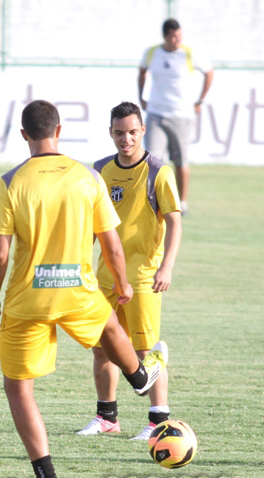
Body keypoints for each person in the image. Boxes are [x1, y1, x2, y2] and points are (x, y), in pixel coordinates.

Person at [0, 100, 165, 478]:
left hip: (27, 298)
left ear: (23, 135)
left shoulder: (11, 181)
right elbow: (111, 244)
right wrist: (123, 283)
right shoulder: (88, 177)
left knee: (19, 389)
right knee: (109, 324)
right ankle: (139, 377)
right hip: (77, 290)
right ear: (59, 131)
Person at [77, 102, 182, 441]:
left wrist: (166, 266)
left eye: (133, 132)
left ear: (143, 131)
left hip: (143, 278)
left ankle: (158, 420)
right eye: (120, 133)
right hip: (104, 277)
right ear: (110, 133)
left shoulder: (158, 172)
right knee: (102, 347)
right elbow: (92, 224)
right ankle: (107, 417)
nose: (126, 139)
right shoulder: (99, 170)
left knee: (145, 351)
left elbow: (175, 222)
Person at [138, 18, 213, 215]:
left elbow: (209, 72)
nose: (177, 40)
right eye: (173, 36)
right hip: (156, 113)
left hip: (181, 115)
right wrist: (141, 97)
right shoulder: (152, 53)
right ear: (165, 36)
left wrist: (200, 100)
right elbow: (142, 71)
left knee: (180, 161)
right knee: (153, 159)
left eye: (179, 36)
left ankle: (183, 201)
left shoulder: (188, 54)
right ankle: (153, 199)